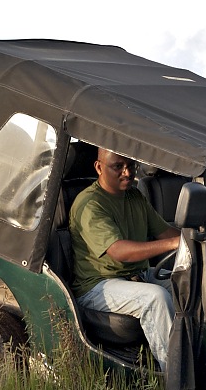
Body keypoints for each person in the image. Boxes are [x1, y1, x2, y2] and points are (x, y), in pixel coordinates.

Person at [69, 147, 180, 370]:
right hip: (98, 285)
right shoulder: (90, 204)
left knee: (189, 282)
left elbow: (165, 233)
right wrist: (175, 244)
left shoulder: (134, 196)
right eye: (118, 166)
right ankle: (175, 379)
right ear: (99, 167)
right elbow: (119, 251)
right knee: (155, 297)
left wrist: (198, 239)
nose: (127, 173)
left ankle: (199, 359)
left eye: (130, 166)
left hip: (138, 276)